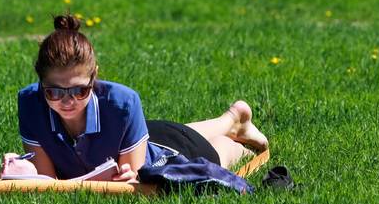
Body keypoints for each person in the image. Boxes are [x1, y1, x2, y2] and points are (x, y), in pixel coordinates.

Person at [16, 14, 269, 181]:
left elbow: (138, 178)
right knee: (171, 132)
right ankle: (233, 118)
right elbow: (48, 184)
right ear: (41, 83)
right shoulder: (30, 102)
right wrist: (21, 173)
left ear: (94, 77)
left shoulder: (123, 103)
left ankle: (236, 127)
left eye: (80, 91)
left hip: (164, 158)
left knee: (217, 155)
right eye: (54, 92)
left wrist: (131, 178)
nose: (67, 101)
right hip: (145, 134)